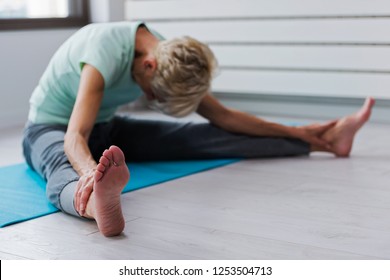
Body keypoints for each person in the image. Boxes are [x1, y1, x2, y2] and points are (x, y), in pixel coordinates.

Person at [22, 21, 375, 237]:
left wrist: (303, 133)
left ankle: (327, 143)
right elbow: (74, 137)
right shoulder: (103, 52)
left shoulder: (172, 58)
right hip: (50, 128)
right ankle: (94, 204)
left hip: (106, 129)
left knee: (201, 136)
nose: (148, 96)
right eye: (153, 93)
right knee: (62, 169)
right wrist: (87, 173)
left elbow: (224, 117)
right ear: (149, 65)